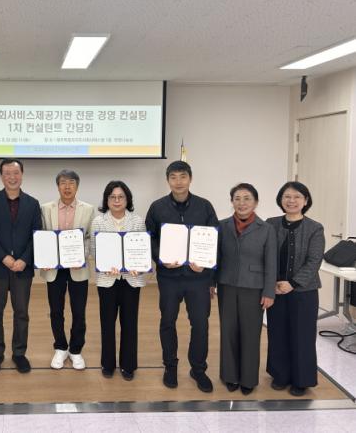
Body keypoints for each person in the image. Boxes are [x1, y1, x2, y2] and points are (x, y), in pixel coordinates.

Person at [145, 160, 219, 392]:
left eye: (183, 176)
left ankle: (198, 369)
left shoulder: (204, 206)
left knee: (200, 324)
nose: (178, 182)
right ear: (168, 180)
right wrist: (161, 258)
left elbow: (214, 240)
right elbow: (149, 238)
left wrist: (208, 271)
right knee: (168, 321)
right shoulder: (157, 207)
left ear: (190, 179)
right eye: (173, 177)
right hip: (169, 277)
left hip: (198, 278)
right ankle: (170, 366)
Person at [214, 183, 277, 395]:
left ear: (256, 202)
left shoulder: (267, 229)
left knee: (251, 334)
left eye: (247, 198)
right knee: (228, 331)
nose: (242, 203)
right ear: (232, 202)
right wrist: (211, 283)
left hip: (254, 287)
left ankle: (248, 378)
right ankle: (229, 376)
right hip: (226, 285)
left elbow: (271, 263)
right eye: (237, 198)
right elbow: (216, 258)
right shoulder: (221, 226)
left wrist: (269, 292)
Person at [0, 158, 42, 374]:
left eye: (16, 173)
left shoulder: (33, 203)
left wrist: (24, 259)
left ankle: (19, 353)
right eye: (7, 173)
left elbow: (36, 235)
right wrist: (4, 257)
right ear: (1, 177)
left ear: (22, 175)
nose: (12, 177)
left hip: (23, 268)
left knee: (22, 312)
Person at [266, 181, 324, 397]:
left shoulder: (315, 228)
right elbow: (264, 255)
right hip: (276, 289)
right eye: (287, 196)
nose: (292, 201)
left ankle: (302, 380)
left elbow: (314, 260)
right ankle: (280, 375)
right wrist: (271, 282)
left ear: (305, 201)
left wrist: (292, 283)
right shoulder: (271, 224)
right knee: (277, 332)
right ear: (280, 200)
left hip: (304, 292)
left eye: (297, 197)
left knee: (302, 335)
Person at [39, 170, 95, 370]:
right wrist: (44, 257)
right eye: (63, 183)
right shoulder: (46, 208)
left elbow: (90, 237)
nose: (67, 186)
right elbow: (41, 236)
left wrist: (80, 256)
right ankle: (61, 347)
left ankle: (76, 350)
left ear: (77, 186)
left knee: (79, 311)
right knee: (56, 311)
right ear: (58, 186)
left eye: (71, 182)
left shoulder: (88, 209)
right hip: (54, 268)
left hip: (77, 267)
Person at [90, 180, 146, 380]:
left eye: (121, 197)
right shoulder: (98, 222)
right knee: (107, 323)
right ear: (106, 200)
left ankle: (128, 365)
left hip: (132, 280)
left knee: (130, 323)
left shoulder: (137, 221)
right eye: (112, 197)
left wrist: (137, 264)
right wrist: (107, 265)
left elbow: (142, 250)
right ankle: (108, 364)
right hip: (107, 279)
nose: (116, 200)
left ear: (127, 199)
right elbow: (94, 250)